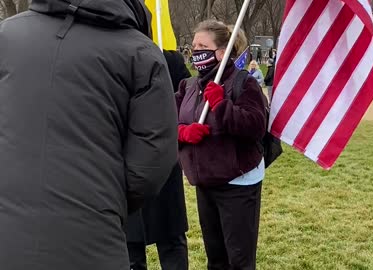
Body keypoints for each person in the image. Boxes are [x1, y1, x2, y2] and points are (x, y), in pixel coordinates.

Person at [0, 1, 178, 269]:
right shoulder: (141, 54)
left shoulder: (5, 36)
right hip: (94, 237)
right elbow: (153, 161)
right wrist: (105, 197)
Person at [176, 19, 267, 270]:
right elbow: (163, 122)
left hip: (237, 182)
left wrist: (221, 105)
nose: (195, 51)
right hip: (205, 181)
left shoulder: (243, 82)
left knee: (239, 260)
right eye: (193, 46)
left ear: (221, 52)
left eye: (202, 46)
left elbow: (255, 127)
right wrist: (182, 133)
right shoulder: (189, 86)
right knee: (216, 259)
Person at [126, 50, 191, 270]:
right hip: (124, 161)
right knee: (129, 245)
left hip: (162, 160)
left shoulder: (169, 59)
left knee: (171, 239)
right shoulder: (108, 57)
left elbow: (187, 96)